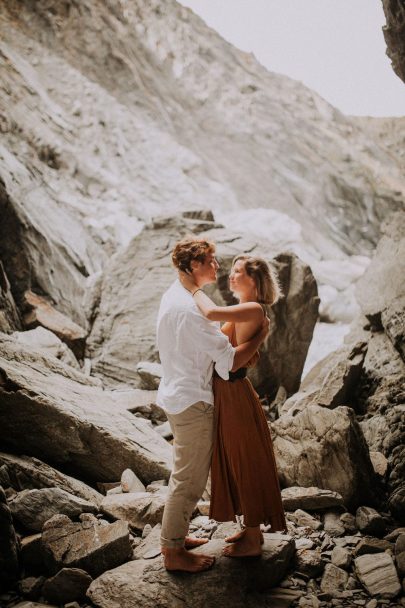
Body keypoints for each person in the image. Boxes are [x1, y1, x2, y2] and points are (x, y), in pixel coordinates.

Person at [156, 238, 270, 573]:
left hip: (177, 390)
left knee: (186, 475)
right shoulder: (191, 310)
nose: (217, 267)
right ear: (193, 266)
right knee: (189, 480)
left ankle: (174, 538)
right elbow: (228, 362)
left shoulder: (174, 294)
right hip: (192, 399)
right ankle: (173, 552)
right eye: (211, 261)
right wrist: (258, 338)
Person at [180, 254, 287, 558]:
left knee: (244, 461)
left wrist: (191, 287)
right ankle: (250, 527)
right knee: (235, 458)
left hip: (232, 393)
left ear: (254, 281)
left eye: (239, 271)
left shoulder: (252, 308)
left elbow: (211, 313)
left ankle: (254, 538)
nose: (231, 274)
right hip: (228, 391)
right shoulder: (248, 311)